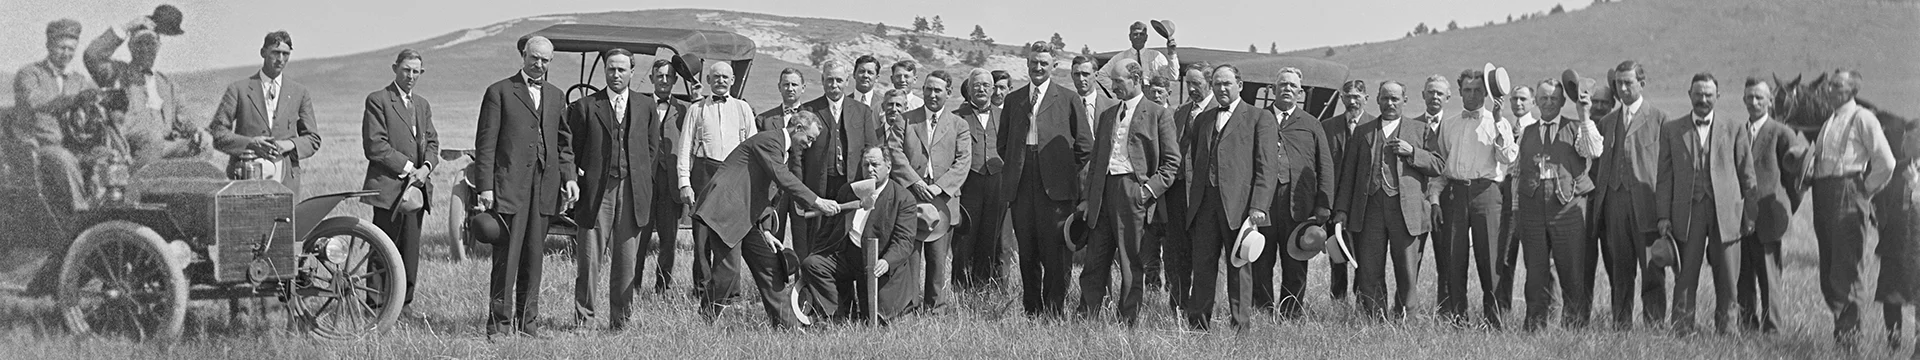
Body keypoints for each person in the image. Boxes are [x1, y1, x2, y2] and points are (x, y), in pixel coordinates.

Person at [691, 110, 839, 329]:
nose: (809, 145)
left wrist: (767, 230)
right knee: (727, 274)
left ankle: (789, 328)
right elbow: (782, 179)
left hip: (748, 218)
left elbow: (765, 192)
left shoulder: (781, 151)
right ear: (797, 128)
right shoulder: (769, 141)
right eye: (808, 138)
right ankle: (704, 322)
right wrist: (817, 201)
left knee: (770, 267)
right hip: (726, 212)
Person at [473, 35, 578, 339]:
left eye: (545, 60)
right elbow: (486, 144)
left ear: (551, 62)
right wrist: (485, 186)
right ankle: (498, 325)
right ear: (523, 56)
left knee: (534, 258)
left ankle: (528, 325)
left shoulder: (557, 96)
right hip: (509, 188)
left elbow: (564, 145)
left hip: (544, 188)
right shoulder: (500, 92)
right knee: (506, 258)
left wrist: (569, 177)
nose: (539, 64)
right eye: (534, 58)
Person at [1076, 59, 1180, 326]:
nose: (1114, 86)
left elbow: (1171, 163)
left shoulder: (1158, 114)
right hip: (1103, 192)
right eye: (1112, 81)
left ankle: (1127, 320)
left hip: (1133, 192)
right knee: (1095, 259)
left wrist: (1147, 192)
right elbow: (1097, 161)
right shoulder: (1108, 114)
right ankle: (1086, 316)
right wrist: (1088, 198)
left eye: (1119, 81)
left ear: (1136, 79)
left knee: (1130, 259)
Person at [565, 48, 662, 331]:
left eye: (621, 69)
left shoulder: (646, 106)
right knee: (588, 259)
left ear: (632, 71)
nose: (616, 74)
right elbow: (572, 149)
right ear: (604, 71)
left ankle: (621, 322)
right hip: (597, 192)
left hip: (632, 190)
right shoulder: (585, 106)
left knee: (626, 260)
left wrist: (642, 180)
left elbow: (652, 149)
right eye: (611, 69)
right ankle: (585, 321)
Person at [1332, 81, 1442, 320]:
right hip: (1369, 209)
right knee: (1369, 270)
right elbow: (1348, 174)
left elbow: (1438, 164)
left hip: (1406, 211)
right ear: (1377, 100)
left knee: (1406, 269)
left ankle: (1406, 318)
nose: (1390, 103)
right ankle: (1374, 318)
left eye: (1395, 99)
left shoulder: (1420, 130)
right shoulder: (1364, 131)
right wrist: (1341, 210)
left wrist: (1412, 152)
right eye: (1385, 98)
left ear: (1405, 100)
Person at [998, 41, 1093, 317]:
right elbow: (1004, 145)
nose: (1037, 67)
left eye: (1043, 63)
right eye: (1033, 62)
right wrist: (1021, 165)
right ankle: (1032, 311)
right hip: (1021, 186)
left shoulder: (1067, 99)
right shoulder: (1014, 100)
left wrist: (1061, 169)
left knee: (1056, 254)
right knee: (1027, 253)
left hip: (1056, 190)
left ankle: (1054, 311)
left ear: (1054, 65)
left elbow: (1085, 146)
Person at [1654, 72, 1753, 335]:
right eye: (1698, 94)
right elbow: (1664, 177)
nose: (1703, 99)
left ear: (1717, 97)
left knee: (1728, 277)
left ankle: (1728, 332)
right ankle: (1681, 330)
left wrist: (1748, 217)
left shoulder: (1734, 127)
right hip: (1687, 213)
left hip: (1726, 215)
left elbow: (1747, 176)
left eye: (1708, 94)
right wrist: (1663, 216)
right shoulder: (1672, 130)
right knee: (1685, 276)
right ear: (1689, 95)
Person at [1182, 64, 1279, 332]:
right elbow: (1197, 162)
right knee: (1202, 267)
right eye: (1217, 84)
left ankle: (1240, 328)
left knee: (1240, 268)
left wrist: (1258, 206)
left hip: (1240, 208)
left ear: (1240, 84)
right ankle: (1198, 326)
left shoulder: (1260, 118)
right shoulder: (1203, 119)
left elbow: (1267, 167)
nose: (1222, 88)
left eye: (1227, 83)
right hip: (1204, 206)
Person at [1804, 69, 1894, 348]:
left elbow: (1886, 162)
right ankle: (1841, 336)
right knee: (1830, 269)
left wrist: (1864, 190)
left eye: (1837, 86)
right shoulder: (1829, 121)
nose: (1829, 89)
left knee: (1848, 270)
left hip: (1848, 192)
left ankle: (1850, 344)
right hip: (1824, 193)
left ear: (1852, 90)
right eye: (1829, 85)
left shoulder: (1863, 118)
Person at [1513, 79, 1604, 331]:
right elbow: (1515, 168)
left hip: (1567, 209)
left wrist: (1584, 116)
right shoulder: (1527, 132)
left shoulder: (1576, 127)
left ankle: (1574, 326)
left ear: (1563, 101)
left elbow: (1594, 150)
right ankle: (1535, 325)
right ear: (1536, 102)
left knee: (1572, 269)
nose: (1549, 103)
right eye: (1543, 98)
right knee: (1535, 271)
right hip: (1532, 210)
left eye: (1554, 98)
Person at [1431, 68, 1519, 328]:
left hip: (1487, 193)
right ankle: (1458, 319)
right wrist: (1435, 199)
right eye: (1467, 90)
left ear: (1487, 93)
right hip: (1455, 193)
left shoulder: (1497, 121)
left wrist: (1500, 119)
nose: (1472, 95)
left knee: (1490, 259)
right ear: (1459, 92)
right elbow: (1440, 168)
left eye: (1477, 90)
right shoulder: (1449, 124)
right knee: (1454, 258)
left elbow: (1508, 157)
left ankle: (1494, 322)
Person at [800, 145, 925, 323]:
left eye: (875, 164)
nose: (869, 169)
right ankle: (839, 317)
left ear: (888, 167)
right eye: (865, 165)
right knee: (812, 264)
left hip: (878, 261)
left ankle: (889, 310)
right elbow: (829, 228)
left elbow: (904, 241)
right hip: (848, 255)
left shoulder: (903, 199)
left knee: (877, 318)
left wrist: (886, 262)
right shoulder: (849, 191)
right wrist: (817, 252)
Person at [358, 48, 438, 319]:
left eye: (416, 71)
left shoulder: (423, 105)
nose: (411, 76)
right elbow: (375, 146)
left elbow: (433, 142)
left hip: (416, 190)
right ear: (395, 68)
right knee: (383, 248)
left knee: (410, 250)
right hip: (389, 190)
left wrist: (426, 168)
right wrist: (409, 169)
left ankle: (404, 306)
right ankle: (376, 307)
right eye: (406, 70)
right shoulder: (378, 100)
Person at [1592, 60, 1671, 330]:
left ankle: (1654, 327)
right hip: (1615, 205)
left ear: (1642, 83)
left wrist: (1664, 213)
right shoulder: (1607, 122)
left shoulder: (1659, 119)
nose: (1623, 88)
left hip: (1647, 207)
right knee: (1620, 272)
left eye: (1629, 82)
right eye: (1619, 83)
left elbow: (1666, 171)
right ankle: (1621, 327)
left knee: (1652, 272)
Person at [885, 70, 972, 312]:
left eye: (938, 90)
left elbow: (963, 162)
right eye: (928, 89)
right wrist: (916, 182)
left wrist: (938, 187)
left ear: (948, 93)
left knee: (937, 259)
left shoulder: (959, 125)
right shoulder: (905, 120)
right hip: (911, 198)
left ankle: (936, 309)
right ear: (922, 90)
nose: (932, 94)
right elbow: (895, 153)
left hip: (943, 201)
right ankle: (908, 307)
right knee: (909, 256)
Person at [676, 60, 758, 303]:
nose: (721, 81)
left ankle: (731, 293)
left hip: (734, 177)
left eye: (725, 77)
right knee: (701, 240)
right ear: (709, 81)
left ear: (733, 81)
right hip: (704, 174)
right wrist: (684, 183)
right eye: (716, 77)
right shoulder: (697, 109)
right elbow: (684, 148)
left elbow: (754, 148)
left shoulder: (743, 109)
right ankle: (702, 291)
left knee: (731, 236)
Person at [1257, 67, 1334, 318]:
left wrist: (1323, 205)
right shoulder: (1259, 119)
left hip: (1298, 205)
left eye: (1293, 86)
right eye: (1282, 85)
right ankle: (1263, 311)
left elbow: (1325, 167)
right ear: (1273, 89)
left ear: (1300, 92)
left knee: (1295, 263)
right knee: (1261, 260)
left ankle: (1291, 315)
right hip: (1264, 205)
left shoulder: (1311, 124)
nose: (1287, 89)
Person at [82, 10, 200, 168]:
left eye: (150, 43)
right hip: (130, 149)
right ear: (130, 47)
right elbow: (92, 55)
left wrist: (196, 131)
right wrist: (127, 27)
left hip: (163, 146)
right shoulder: (117, 73)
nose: (145, 49)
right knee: (153, 138)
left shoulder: (167, 84)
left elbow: (185, 120)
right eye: (139, 43)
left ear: (158, 46)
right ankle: (137, 188)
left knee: (205, 142)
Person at [208, 31, 320, 193]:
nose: (280, 59)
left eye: (285, 54)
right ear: (263, 52)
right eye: (275, 52)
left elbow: (313, 139)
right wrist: (251, 144)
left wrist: (287, 145)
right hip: (245, 179)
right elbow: (217, 133)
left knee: (285, 219)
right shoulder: (238, 89)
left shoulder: (299, 92)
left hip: (286, 181)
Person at [796, 59, 881, 271]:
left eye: (839, 80)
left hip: (852, 187)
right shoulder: (809, 109)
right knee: (817, 239)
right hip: (818, 186)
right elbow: (798, 154)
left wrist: (873, 187)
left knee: (849, 238)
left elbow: (871, 150)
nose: (834, 85)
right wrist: (800, 190)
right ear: (822, 80)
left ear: (847, 81)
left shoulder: (861, 111)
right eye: (829, 80)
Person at [1735, 77, 1804, 334]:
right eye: (1749, 97)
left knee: (1769, 278)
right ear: (1743, 100)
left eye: (1759, 98)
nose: (1754, 102)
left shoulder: (1781, 133)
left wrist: (1783, 210)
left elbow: (1798, 178)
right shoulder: (1738, 132)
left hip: (1768, 219)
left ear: (1770, 101)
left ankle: (1773, 332)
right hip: (1742, 220)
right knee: (1743, 278)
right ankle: (1747, 328)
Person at [12, 18, 93, 217]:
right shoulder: (30, 74)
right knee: (64, 159)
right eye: (61, 47)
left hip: (73, 145)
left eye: (71, 49)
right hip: (40, 146)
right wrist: (72, 100)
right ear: (49, 45)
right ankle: (81, 215)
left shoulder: (78, 80)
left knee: (105, 156)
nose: (67, 53)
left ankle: (106, 212)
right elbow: (35, 101)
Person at [1163, 62, 1213, 311]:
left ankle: (1200, 305)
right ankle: (1178, 304)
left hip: (1204, 197)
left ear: (1209, 83)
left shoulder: (1219, 111)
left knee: (1202, 252)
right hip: (1177, 193)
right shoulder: (1181, 112)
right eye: (1188, 84)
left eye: (1197, 84)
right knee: (1175, 251)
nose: (1192, 89)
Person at [954, 69, 1006, 290]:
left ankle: (983, 288)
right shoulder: (957, 116)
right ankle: (958, 287)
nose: (981, 89)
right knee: (965, 237)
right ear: (968, 89)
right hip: (968, 183)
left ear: (993, 89)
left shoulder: (1004, 115)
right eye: (976, 85)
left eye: (986, 85)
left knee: (990, 236)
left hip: (997, 182)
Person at [1319, 79, 1370, 301]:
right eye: (1348, 96)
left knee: (1364, 258)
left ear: (1366, 99)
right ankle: (1338, 302)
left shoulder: (1375, 125)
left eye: (1357, 97)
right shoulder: (1328, 127)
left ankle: (1362, 301)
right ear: (1341, 98)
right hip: (1333, 203)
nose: (1352, 101)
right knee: (1337, 257)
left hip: (1364, 204)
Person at [643, 58, 689, 294]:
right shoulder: (639, 105)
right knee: (640, 236)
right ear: (651, 78)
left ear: (675, 80)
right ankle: (633, 285)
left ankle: (663, 286)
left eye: (668, 76)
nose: (663, 80)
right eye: (659, 75)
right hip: (644, 182)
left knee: (668, 239)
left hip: (671, 182)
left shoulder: (684, 109)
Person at [1097, 22, 1179, 94]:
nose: (1138, 37)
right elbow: (1101, 75)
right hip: (1131, 98)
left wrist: (1172, 53)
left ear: (1146, 37)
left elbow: (1173, 76)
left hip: (1153, 98)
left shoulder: (1156, 56)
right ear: (1130, 37)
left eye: (1142, 34)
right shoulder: (1120, 58)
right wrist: (1118, 88)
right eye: (1135, 34)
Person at [1071, 56, 1118, 132]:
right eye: (1077, 74)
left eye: (1085, 74)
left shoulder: (1112, 107)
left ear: (1096, 75)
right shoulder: (1066, 106)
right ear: (1072, 76)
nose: (1081, 79)